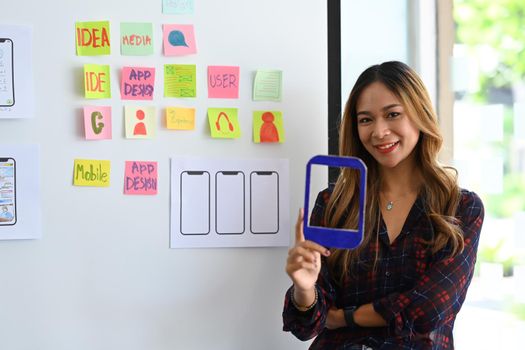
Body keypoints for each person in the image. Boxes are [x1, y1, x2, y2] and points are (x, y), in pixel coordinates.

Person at [283, 61, 484, 349]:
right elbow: (307, 325)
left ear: (419, 114)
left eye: (392, 114)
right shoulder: (332, 205)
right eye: (365, 119)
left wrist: (345, 317)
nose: (379, 131)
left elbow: (429, 309)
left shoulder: (461, 208)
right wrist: (304, 290)